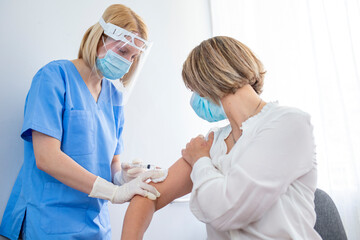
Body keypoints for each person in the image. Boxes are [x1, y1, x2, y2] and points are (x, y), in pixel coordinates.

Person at [121, 36, 322, 239]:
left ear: (210, 79)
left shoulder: (287, 124)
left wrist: (200, 161)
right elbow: (148, 195)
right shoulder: (213, 142)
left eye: (194, 89)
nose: (195, 100)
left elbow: (229, 211)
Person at [0, 4, 167, 240]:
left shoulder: (114, 97)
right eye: (122, 51)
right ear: (99, 39)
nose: (127, 62)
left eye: (133, 56)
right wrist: (113, 192)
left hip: (94, 225)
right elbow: (47, 158)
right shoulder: (54, 77)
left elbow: (112, 163)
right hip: (48, 221)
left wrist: (123, 178)